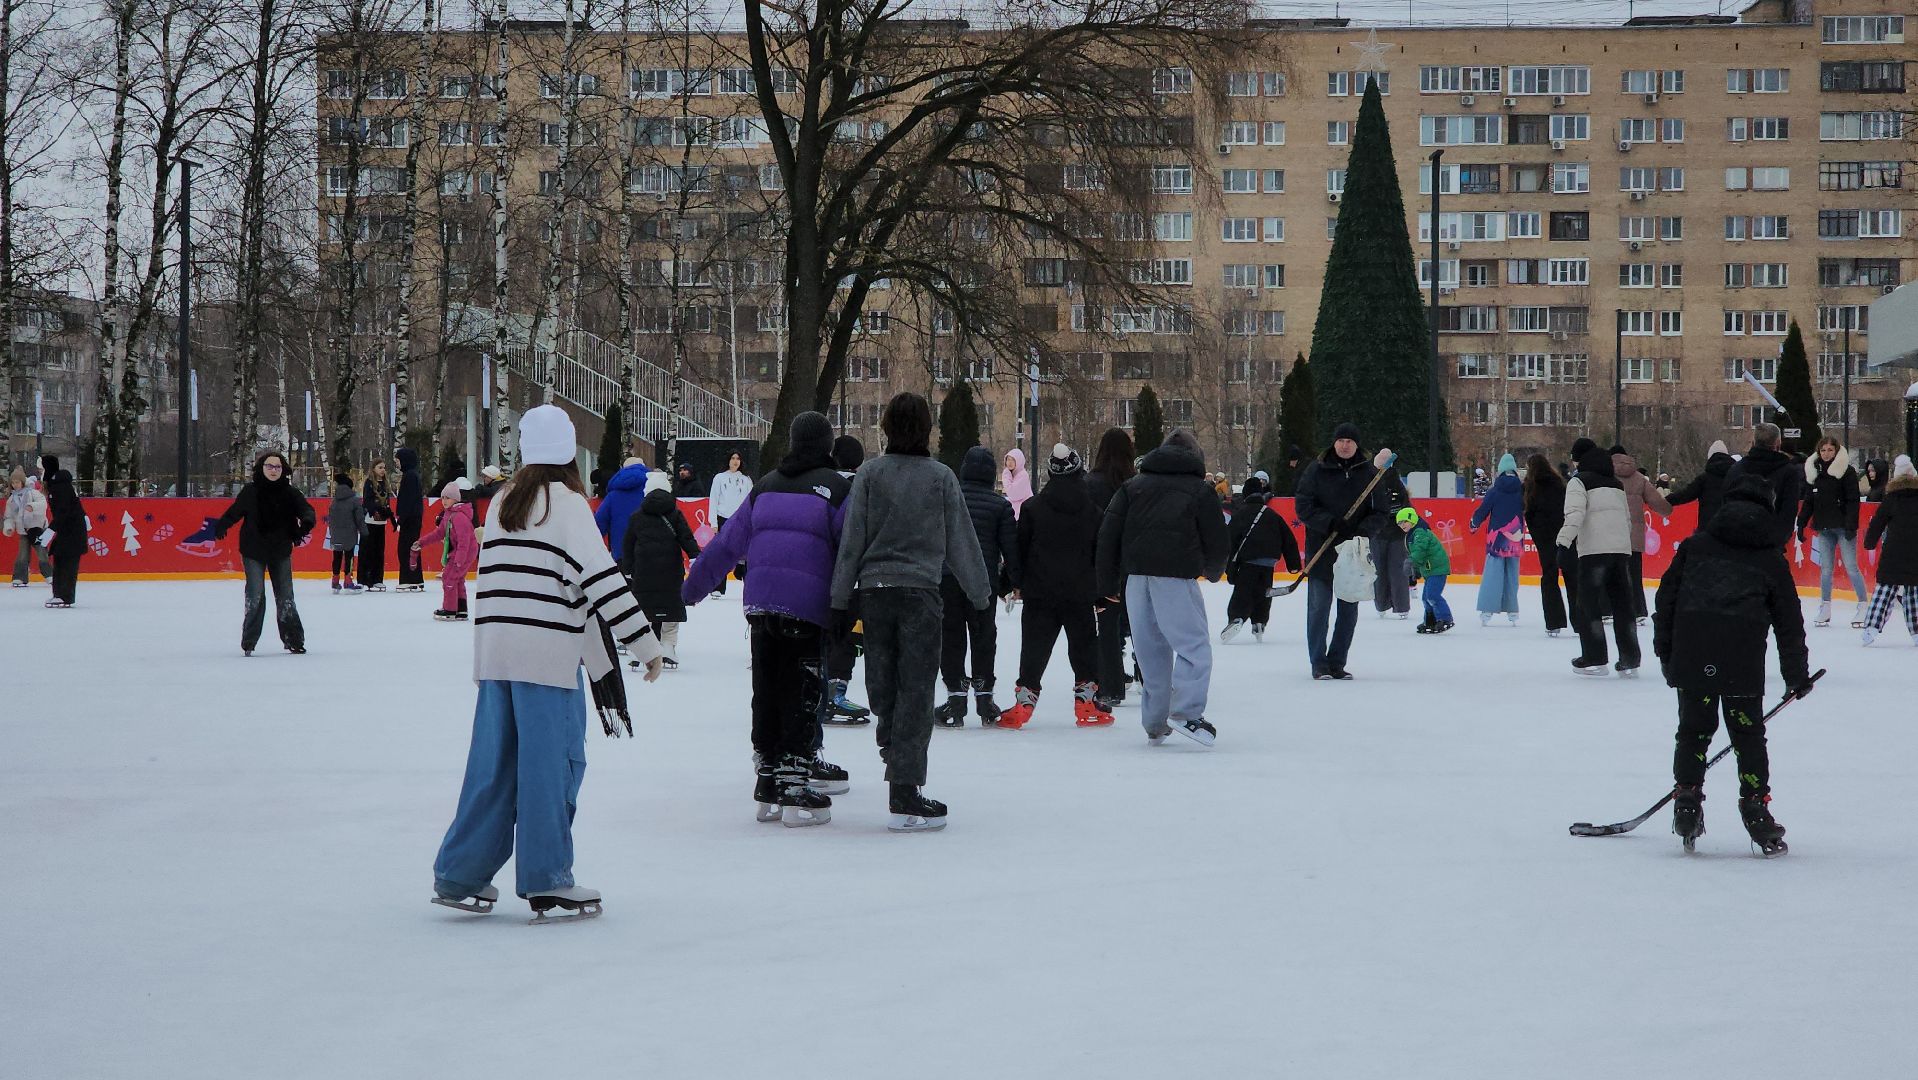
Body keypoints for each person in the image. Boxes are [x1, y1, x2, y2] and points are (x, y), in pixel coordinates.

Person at [431, 404, 664, 920]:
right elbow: (601, 580)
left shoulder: (501, 502)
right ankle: (547, 877)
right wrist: (646, 645)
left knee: (493, 768)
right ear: (568, 453)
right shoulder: (567, 503)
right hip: (547, 660)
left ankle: (459, 872)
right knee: (551, 769)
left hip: (495, 656)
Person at [830, 392, 990, 831]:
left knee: (883, 684)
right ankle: (904, 785)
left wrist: (840, 597)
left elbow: (852, 542)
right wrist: (980, 594)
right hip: (921, 594)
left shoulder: (870, 475)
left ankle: (895, 760)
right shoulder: (940, 478)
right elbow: (962, 541)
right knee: (916, 690)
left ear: (884, 427)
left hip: (875, 593)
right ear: (926, 428)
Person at [683, 411, 851, 826]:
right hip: (807, 606)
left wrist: (690, 589)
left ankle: (768, 776)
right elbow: (851, 547)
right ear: (827, 445)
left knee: (768, 685)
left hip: (760, 604)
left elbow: (726, 544)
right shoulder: (836, 488)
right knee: (802, 687)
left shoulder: (764, 486)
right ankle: (794, 778)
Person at [1653, 477, 1813, 857]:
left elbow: (1666, 600)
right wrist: (1796, 675)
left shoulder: (1695, 546)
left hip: (1694, 653)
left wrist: (1667, 653)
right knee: (1748, 735)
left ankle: (1687, 800)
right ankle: (1755, 806)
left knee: (1693, 731)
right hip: (1741, 659)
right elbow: (1789, 622)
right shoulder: (1771, 557)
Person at [1095, 428, 1228, 744]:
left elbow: (1108, 535)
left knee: (1151, 651)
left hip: (1136, 579)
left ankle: (1155, 721)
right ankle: (1186, 714)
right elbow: (1217, 538)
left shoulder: (1132, 487)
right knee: (1194, 646)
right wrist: (1213, 570)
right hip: (1176, 577)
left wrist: (1106, 583)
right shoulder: (1200, 490)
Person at [1002, 444, 1105, 729]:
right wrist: (1102, 590)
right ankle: (1086, 700)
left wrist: (1016, 582)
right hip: (1080, 592)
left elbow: (1019, 548)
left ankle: (1024, 700)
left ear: (1050, 472)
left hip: (1040, 592)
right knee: (1083, 646)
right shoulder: (1094, 512)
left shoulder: (1033, 508)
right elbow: (1101, 553)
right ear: (1078, 470)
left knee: (1034, 647)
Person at [1292, 424, 1402, 681]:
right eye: (1340, 440)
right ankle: (1318, 664)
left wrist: (1361, 529)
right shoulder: (1317, 470)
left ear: (1357, 445)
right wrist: (1329, 522)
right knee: (1319, 609)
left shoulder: (1368, 473)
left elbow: (1381, 512)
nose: (1344, 445)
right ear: (1334, 443)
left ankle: (1337, 662)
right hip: (1323, 549)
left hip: (1353, 553)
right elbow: (1303, 506)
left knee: (1348, 611)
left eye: (1349, 441)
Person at [937, 445, 1019, 727]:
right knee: (984, 636)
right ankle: (985, 698)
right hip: (983, 580)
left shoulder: (948, 500)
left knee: (951, 636)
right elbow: (1012, 551)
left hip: (948, 578)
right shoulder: (1001, 506)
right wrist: (1010, 583)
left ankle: (955, 698)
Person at [214, 452, 316, 654]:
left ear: (283, 470)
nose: (273, 470)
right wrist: (223, 524)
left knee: (286, 596)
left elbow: (307, 510)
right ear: (262, 468)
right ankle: (249, 641)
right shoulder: (251, 491)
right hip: (254, 550)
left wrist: (305, 523)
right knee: (255, 594)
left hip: (280, 549)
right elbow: (236, 511)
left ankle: (294, 639)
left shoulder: (290, 493)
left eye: (277, 467)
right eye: (269, 466)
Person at [1559, 447, 1641, 676]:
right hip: (1620, 552)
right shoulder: (1616, 484)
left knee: (1588, 604)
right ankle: (1630, 658)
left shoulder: (1579, 482)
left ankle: (1595, 657)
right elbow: (1627, 519)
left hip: (1594, 552)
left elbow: (1574, 514)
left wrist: (1563, 542)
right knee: (1623, 606)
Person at [621, 471, 700, 669]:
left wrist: (628, 569)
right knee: (671, 609)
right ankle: (668, 647)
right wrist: (695, 556)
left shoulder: (637, 516)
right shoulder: (675, 514)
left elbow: (628, 545)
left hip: (644, 570)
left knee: (643, 610)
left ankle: (639, 650)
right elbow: (686, 537)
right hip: (670, 571)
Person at [1085, 428, 1136, 708]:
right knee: (1142, 624)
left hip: (1100, 562)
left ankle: (1110, 685)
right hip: (1133, 562)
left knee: (1107, 624)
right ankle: (1147, 676)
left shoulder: (1089, 483)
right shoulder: (1136, 484)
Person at [823, 435, 870, 723]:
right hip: (852, 574)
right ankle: (835, 692)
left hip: (820, 569)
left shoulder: (822, 483)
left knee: (825, 633)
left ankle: (819, 687)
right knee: (847, 636)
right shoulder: (861, 486)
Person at [1222, 474, 1300, 643]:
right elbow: (1288, 539)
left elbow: (1230, 541)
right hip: (1268, 562)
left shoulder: (1241, 515)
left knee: (1243, 592)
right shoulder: (1272, 515)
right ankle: (1259, 622)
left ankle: (1236, 618)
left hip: (1248, 562)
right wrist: (1293, 564)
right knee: (1263, 593)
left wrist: (1227, 566)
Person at [1797, 437, 1865, 629]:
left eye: (1830, 450)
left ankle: (1862, 604)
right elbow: (1809, 500)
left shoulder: (1847, 472)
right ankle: (1825, 606)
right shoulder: (1814, 472)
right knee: (1826, 569)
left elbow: (1853, 500)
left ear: (1836, 452)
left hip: (1843, 527)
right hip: (1823, 527)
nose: (1826, 454)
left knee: (1851, 567)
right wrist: (1801, 524)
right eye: (1823, 450)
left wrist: (1851, 525)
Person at [1609, 444, 1672, 623]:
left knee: (1608, 572)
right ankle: (1638, 610)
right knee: (1634, 574)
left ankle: (1607, 609)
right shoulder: (1638, 478)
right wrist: (1668, 510)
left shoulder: (1604, 476)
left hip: (1611, 533)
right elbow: (1657, 502)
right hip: (1634, 534)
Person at [1860, 455, 1918, 646]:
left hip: (1893, 552)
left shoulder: (1891, 498)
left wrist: (1869, 542)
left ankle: (1871, 628)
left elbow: (1878, 523)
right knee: (1914, 592)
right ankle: (1917, 630)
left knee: (1884, 589)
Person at [1724, 422, 1802, 548]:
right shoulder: (1788, 472)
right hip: (1771, 541)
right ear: (1778, 444)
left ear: (1753, 443)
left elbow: (1726, 503)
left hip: (1738, 540)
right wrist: (1780, 538)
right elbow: (1789, 510)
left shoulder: (1736, 469)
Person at [1469, 453, 1525, 626]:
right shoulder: (1523, 490)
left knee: (1493, 574)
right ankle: (1513, 611)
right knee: (1512, 575)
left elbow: (1484, 509)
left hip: (1497, 538)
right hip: (1515, 537)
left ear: (1500, 471)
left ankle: (1487, 610)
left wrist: (1474, 523)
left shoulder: (1495, 490)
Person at [415, 480, 478, 621]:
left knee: (449, 577)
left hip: (465, 552)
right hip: (460, 551)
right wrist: (421, 542)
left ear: (456, 499)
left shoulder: (460, 517)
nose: (444, 501)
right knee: (458, 579)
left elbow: (464, 541)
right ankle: (461, 610)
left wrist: (459, 561)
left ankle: (449, 609)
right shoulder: (449, 515)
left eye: (447, 498)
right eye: (442, 497)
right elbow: (439, 533)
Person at [1522, 454, 1571, 637]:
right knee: (1572, 577)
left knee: (1549, 578)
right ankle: (1580, 621)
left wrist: (1537, 535)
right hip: (1565, 535)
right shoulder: (1560, 484)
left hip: (1544, 538)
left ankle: (1554, 622)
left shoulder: (1529, 487)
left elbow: (1528, 513)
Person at [39, 458, 86, 608]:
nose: (40, 473)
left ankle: (64, 595)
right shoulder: (56, 486)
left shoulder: (60, 487)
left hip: (72, 530)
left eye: (41, 469)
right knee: (60, 558)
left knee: (67, 561)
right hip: (66, 529)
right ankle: (59, 594)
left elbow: (64, 511)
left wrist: (50, 530)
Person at [707, 451, 753, 596]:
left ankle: (749, 587)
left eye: (738, 458)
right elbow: (713, 499)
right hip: (723, 519)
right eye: (733, 458)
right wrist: (713, 522)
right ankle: (718, 587)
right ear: (728, 460)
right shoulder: (719, 478)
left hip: (741, 520)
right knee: (722, 553)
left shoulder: (746, 480)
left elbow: (750, 502)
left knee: (744, 555)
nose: (735, 461)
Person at [1401, 507, 1454, 633]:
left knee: (1432, 595)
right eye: (1399, 523)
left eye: (1404, 521)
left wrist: (1411, 562)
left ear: (1412, 519)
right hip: (1430, 569)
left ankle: (1446, 619)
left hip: (1437, 568)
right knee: (1426, 597)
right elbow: (1420, 553)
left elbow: (1420, 550)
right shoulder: (1414, 532)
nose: (1401, 525)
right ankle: (1431, 621)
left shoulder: (1420, 532)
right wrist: (1417, 568)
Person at [1667, 440, 1734, 535]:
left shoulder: (1704, 479)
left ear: (1710, 458)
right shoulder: (1735, 477)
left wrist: (1663, 501)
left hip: (1708, 528)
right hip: (1730, 527)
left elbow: (1685, 494)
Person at [593, 455, 650, 554]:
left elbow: (598, 526)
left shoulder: (612, 496)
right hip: (649, 552)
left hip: (621, 552)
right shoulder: (653, 492)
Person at [5, 468, 50, 586]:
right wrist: (9, 527)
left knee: (41, 552)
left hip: (37, 529)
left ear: (23, 482)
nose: (15, 485)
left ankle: (50, 575)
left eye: (17, 482)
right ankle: (20, 577)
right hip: (23, 531)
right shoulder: (11, 500)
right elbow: (9, 516)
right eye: (13, 483)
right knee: (22, 554)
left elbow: (43, 503)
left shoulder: (32, 493)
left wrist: (32, 506)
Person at [327, 472, 365, 593]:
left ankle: (335, 581)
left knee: (336, 557)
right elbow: (359, 518)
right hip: (350, 535)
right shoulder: (354, 501)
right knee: (349, 557)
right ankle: (348, 581)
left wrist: (333, 532)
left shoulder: (334, 501)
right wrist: (364, 532)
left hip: (336, 534)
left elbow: (330, 519)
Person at [394, 447, 426, 591]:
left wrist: (401, 519)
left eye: (398, 460)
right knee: (413, 549)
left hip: (410, 519)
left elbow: (407, 500)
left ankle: (407, 579)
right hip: (414, 517)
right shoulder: (413, 475)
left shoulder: (410, 476)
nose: (397, 464)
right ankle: (416, 579)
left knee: (405, 549)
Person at [359, 460, 393, 590]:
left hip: (381, 522)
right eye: (380, 467)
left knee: (379, 551)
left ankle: (377, 578)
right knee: (367, 551)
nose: (383, 470)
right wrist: (375, 511)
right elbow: (367, 500)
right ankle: (364, 579)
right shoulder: (369, 483)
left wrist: (387, 513)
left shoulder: (385, 484)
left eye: (384, 468)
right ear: (373, 469)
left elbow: (387, 501)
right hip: (370, 521)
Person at [1000, 448, 1033, 518]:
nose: (1010, 462)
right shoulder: (1013, 475)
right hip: (1019, 513)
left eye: (1013, 460)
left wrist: (1006, 475)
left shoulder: (1022, 475)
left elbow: (1013, 494)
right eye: (1008, 459)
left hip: (1023, 514)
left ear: (1019, 461)